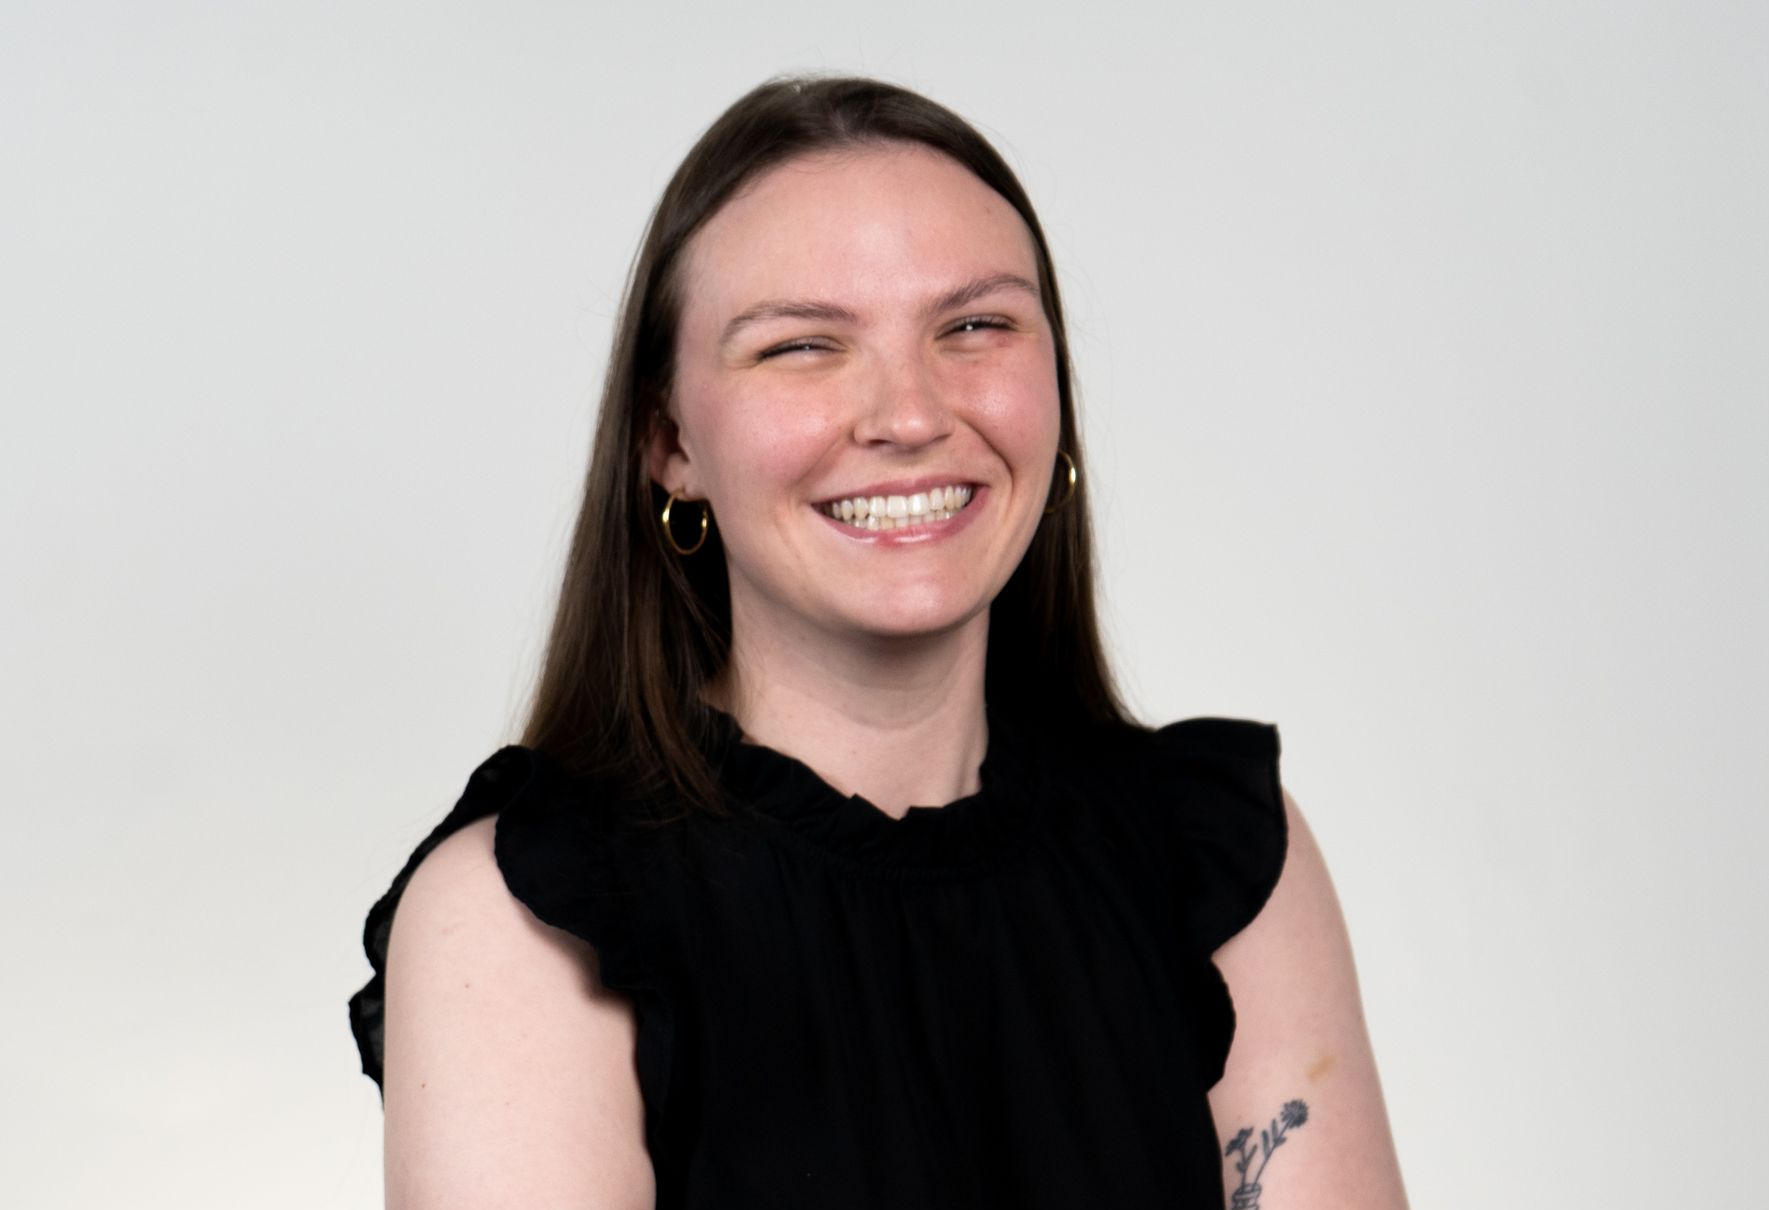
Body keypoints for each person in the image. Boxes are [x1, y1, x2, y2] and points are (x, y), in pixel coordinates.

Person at [348, 75, 1408, 1209]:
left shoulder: (1220, 855)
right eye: (803, 346)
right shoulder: (524, 915)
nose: (908, 415)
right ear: (669, 444)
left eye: (974, 326)